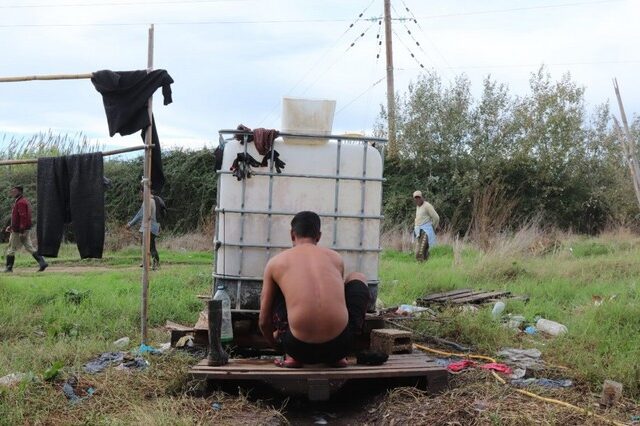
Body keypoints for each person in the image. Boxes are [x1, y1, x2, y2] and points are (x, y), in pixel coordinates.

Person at [259, 211, 371, 368]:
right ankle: (339, 358)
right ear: (318, 236)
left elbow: (264, 321)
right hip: (340, 346)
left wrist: (278, 346)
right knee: (358, 277)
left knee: (277, 287)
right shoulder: (335, 258)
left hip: (297, 348)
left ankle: (292, 357)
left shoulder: (276, 262)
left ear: (292, 235)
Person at [4, 185, 48, 273]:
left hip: (19, 230)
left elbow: (23, 217)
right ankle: (42, 262)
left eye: (15, 191)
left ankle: (9, 268)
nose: (13, 193)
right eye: (12, 191)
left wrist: (21, 230)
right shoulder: (21, 201)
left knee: (11, 248)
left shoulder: (21, 202)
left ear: (20, 192)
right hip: (20, 229)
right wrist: (11, 226)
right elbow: (17, 217)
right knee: (29, 247)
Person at [126, 188, 160, 269]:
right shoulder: (155, 200)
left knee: (150, 246)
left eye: (140, 193)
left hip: (149, 227)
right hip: (154, 226)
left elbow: (140, 214)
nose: (140, 195)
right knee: (146, 245)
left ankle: (155, 264)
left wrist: (130, 224)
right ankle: (146, 262)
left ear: (143, 192)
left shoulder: (148, 201)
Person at [413, 190, 439, 261]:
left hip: (426, 231)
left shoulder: (427, 205)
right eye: (416, 198)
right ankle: (425, 267)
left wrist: (433, 227)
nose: (417, 199)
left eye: (419, 197)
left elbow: (436, 217)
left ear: (422, 197)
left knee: (420, 252)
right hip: (419, 231)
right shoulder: (418, 207)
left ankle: (420, 266)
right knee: (423, 251)